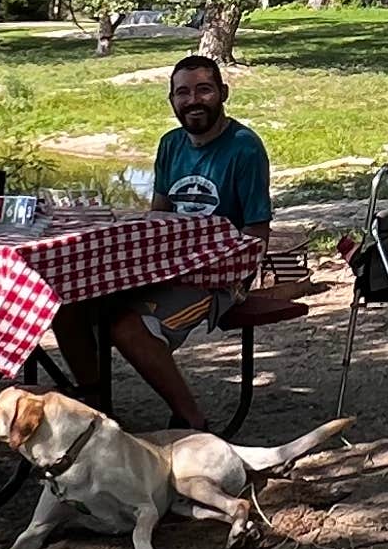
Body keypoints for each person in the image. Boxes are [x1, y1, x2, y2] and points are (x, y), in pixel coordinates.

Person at [78, 53, 272, 430]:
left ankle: (191, 422)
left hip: (217, 276)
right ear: (171, 101)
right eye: (182, 93)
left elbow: (257, 231)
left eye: (204, 90)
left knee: (126, 325)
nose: (193, 100)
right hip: (167, 266)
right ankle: (95, 411)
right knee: (72, 305)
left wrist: (237, 279)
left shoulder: (245, 147)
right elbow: (159, 217)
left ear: (223, 93)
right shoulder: (170, 145)